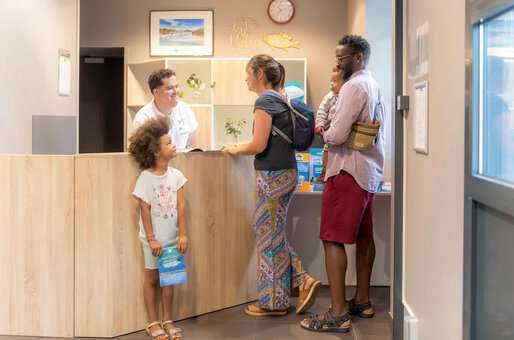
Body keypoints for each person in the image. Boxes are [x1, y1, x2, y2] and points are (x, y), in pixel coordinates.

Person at [221, 54, 321, 316]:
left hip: (271, 175)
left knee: (268, 237)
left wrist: (234, 148)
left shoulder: (265, 100)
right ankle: (293, 287)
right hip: (286, 171)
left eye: (248, 72)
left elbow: (258, 145)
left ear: (259, 74)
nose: (245, 78)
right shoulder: (282, 98)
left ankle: (277, 299)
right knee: (272, 234)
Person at [301, 35, 385, 333]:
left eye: (342, 58)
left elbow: (335, 136)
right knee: (364, 236)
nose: (337, 63)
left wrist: (328, 130)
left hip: (347, 170)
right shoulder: (373, 84)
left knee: (332, 238)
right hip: (369, 172)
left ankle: (337, 313)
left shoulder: (352, 87)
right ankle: (361, 301)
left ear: (358, 58)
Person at [129, 116, 189, 340]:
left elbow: (181, 206)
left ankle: (168, 320)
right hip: (152, 242)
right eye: (168, 143)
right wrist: (152, 239)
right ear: (155, 151)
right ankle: (152, 322)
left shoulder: (177, 177)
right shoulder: (145, 178)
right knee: (152, 278)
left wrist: (183, 234)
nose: (173, 145)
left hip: (172, 239)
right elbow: (144, 211)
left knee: (169, 279)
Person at [133, 69, 198, 151]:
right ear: (156, 92)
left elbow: (192, 148)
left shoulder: (186, 111)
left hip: (182, 163)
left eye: (177, 86)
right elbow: (141, 154)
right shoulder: (143, 119)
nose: (176, 92)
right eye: (170, 88)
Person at [315, 66, 345, 182]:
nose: (332, 84)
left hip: (342, 131)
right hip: (329, 131)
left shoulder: (347, 96)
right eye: (331, 81)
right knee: (327, 153)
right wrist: (320, 124)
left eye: (335, 81)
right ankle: (324, 173)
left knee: (340, 157)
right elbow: (322, 111)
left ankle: (336, 175)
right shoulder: (329, 97)